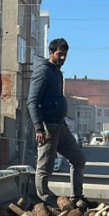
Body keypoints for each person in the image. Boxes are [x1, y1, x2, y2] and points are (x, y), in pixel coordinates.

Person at [29, 38, 87, 206]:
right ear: (51, 53)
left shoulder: (57, 72)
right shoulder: (43, 71)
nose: (62, 58)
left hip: (61, 127)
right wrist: (38, 127)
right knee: (44, 168)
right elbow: (32, 101)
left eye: (65, 55)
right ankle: (45, 202)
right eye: (60, 54)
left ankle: (77, 197)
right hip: (47, 127)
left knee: (78, 159)